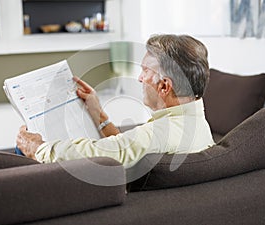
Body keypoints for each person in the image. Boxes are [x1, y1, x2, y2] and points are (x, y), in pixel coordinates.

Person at [16, 34, 215, 168]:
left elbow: (97, 154)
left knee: (19, 151)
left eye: (145, 70)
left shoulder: (160, 133)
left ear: (164, 86)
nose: (139, 78)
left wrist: (39, 149)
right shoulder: (196, 122)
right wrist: (98, 114)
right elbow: (125, 148)